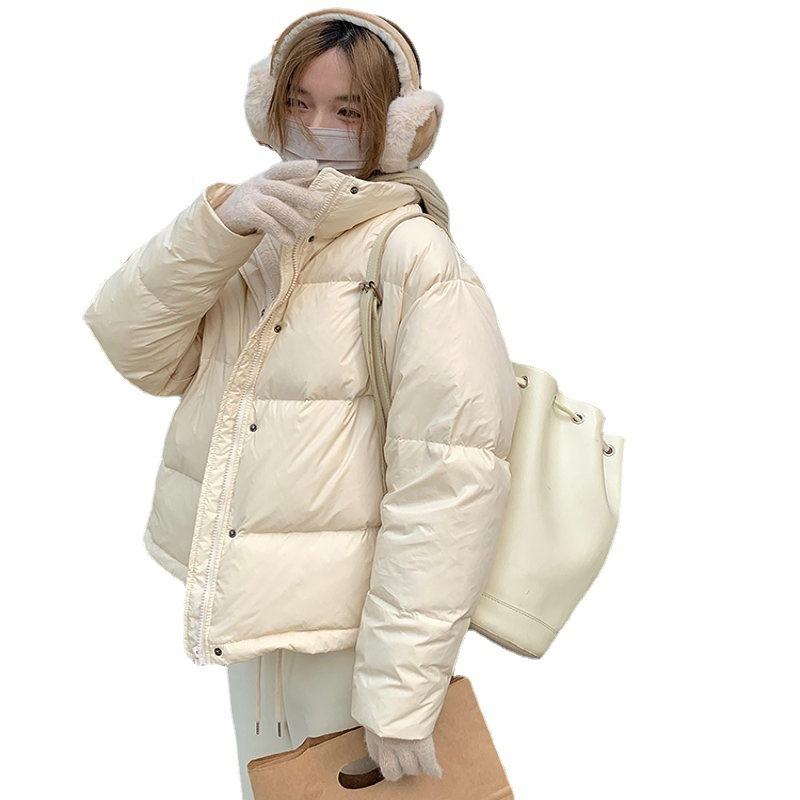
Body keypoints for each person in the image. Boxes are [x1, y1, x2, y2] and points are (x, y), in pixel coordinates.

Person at [83, 8, 520, 797]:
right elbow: (134, 347)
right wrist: (216, 226)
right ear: (267, 105)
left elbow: (452, 479)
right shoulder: (260, 233)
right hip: (256, 621)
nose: (317, 128)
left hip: (355, 640)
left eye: (348, 110)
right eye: (298, 102)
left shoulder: (416, 255)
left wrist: (400, 689)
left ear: (396, 127)